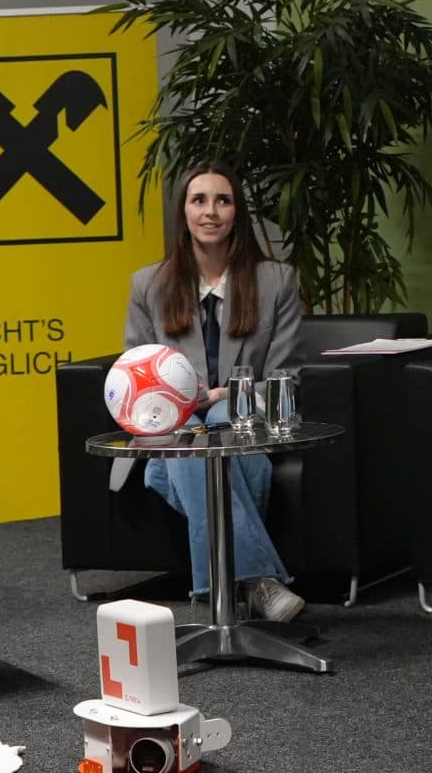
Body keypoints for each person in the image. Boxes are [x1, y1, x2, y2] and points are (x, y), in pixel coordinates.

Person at [123, 161, 307, 624]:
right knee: (189, 436)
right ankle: (260, 582)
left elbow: (285, 375)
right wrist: (183, 401)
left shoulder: (275, 280)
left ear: (237, 213)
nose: (210, 212)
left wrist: (231, 394)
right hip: (173, 422)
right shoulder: (149, 284)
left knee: (222, 423)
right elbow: (134, 379)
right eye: (198, 200)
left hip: (241, 415)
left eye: (222, 200)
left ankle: (219, 590)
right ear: (183, 212)